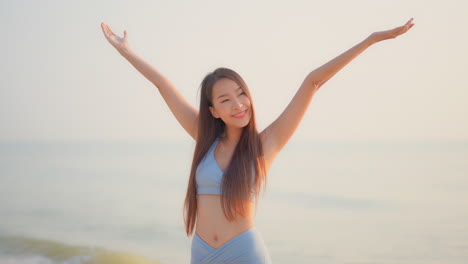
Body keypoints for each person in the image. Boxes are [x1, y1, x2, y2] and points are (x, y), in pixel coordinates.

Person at [101, 18, 415, 264]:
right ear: (214, 111)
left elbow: (313, 81)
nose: (238, 105)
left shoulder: (266, 145)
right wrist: (126, 52)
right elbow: (162, 83)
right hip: (201, 253)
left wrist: (371, 40)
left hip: (244, 254)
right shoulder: (203, 137)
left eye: (242, 95)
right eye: (226, 100)